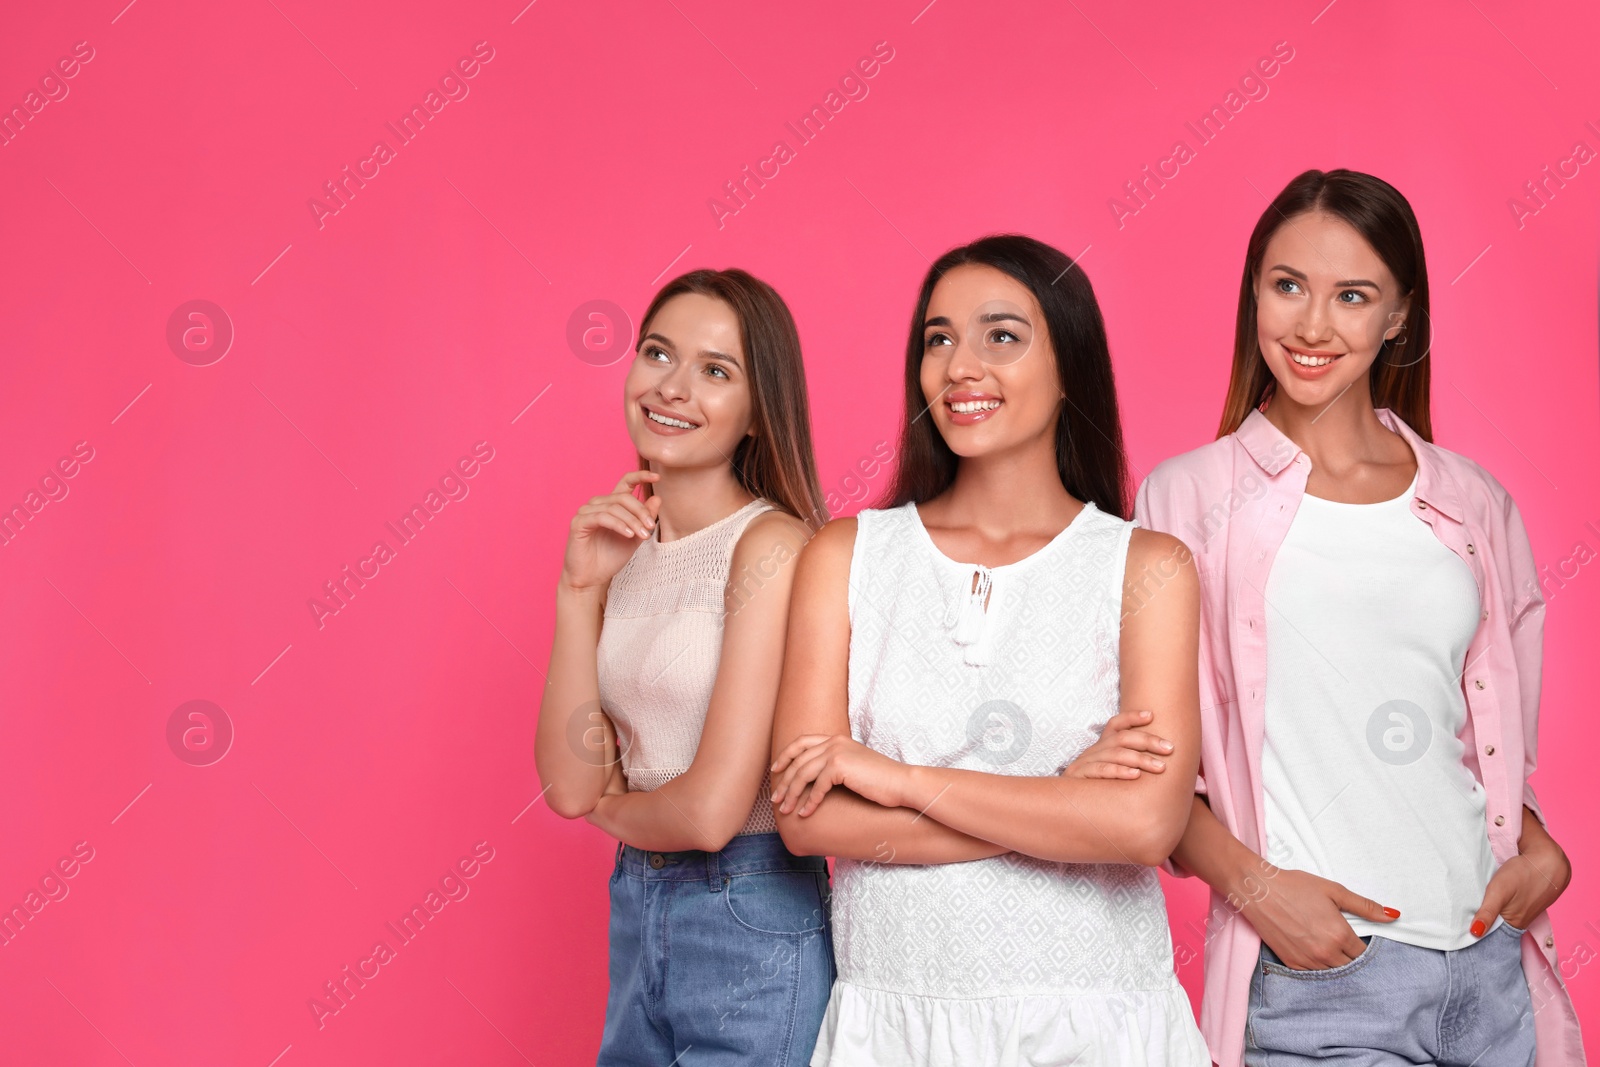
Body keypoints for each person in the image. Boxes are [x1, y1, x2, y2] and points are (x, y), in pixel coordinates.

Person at [1135, 168, 1586, 1066]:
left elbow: (1488, 744)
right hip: (1324, 980)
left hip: (1489, 968)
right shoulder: (1184, 498)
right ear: (1254, 292)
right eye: (1287, 284)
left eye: (1353, 296)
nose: (1311, 325)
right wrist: (1257, 890)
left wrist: (1542, 847)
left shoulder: (1474, 502)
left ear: (1399, 317)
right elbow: (1148, 770)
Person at [769, 234, 1210, 1065]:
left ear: (1069, 362)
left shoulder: (1146, 568)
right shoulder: (846, 555)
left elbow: (1147, 822)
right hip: (896, 1024)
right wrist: (1059, 801)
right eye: (939, 339)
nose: (960, 365)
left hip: (1098, 1022)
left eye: (1001, 335)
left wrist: (896, 779)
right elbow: (806, 817)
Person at [535, 268, 836, 1065]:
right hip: (638, 908)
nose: (672, 387)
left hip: (750, 907)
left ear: (755, 412)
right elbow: (569, 781)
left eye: (715, 370)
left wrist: (612, 808)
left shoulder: (770, 547)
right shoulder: (624, 545)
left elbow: (711, 812)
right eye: (658, 353)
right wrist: (577, 591)